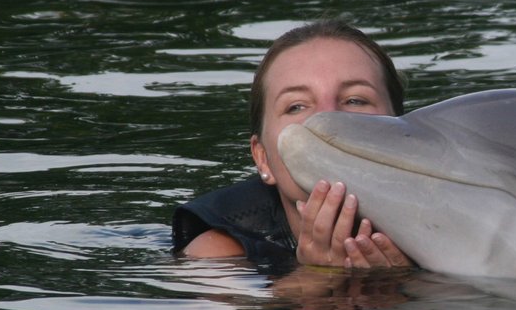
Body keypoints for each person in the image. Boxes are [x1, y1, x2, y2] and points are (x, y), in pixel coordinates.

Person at [172, 20, 411, 271]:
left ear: (406, 139)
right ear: (262, 158)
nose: (326, 121)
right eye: (296, 106)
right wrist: (318, 277)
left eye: (355, 100)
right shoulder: (218, 255)